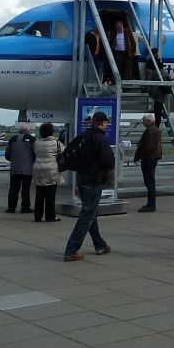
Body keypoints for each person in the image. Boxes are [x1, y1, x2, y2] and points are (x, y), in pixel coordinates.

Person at [63, 111, 114, 261]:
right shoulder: (99, 138)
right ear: (103, 123)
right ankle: (71, 249)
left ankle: (100, 245)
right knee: (87, 215)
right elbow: (109, 161)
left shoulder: (83, 136)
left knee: (91, 213)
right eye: (106, 123)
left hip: (82, 180)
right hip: (94, 181)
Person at [32, 122, 63, 223]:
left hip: (38, 168)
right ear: (52, 132)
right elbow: (64, 151)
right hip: (51, 169)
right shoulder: (56, 143)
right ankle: (50, 216)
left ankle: (37, 216)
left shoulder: (37, 142)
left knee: (39, 194)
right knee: (50, 194)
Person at [5, 123, 36, 213]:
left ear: (20, 130)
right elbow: (35, 153)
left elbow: (7, 155)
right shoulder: (32, 139)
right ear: (28, 131)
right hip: (27, 168)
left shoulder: (12, 139)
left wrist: (14, 160)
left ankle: (11, 207)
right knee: (25, 189)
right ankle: (25, 207)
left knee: (13, 188)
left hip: (14, 168)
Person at [135, 113, 162, 212]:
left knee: (149, 182)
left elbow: (148, 146)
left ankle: (151, 205)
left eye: (144, 120)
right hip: (152, 158)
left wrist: (142, 156)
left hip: (148, 159)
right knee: (150, 181)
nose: (143, 122)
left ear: (149, 121)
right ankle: (151, 203)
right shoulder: (155, 129)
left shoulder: (150, 131)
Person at [144, 49, 171, 126]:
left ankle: (156, 123)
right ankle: (157, 125)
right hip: (161, 94)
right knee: (158, 111)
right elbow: (169, 81)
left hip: (155, 93)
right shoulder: (164, 73)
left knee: (157, 109)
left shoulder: (154, 72)